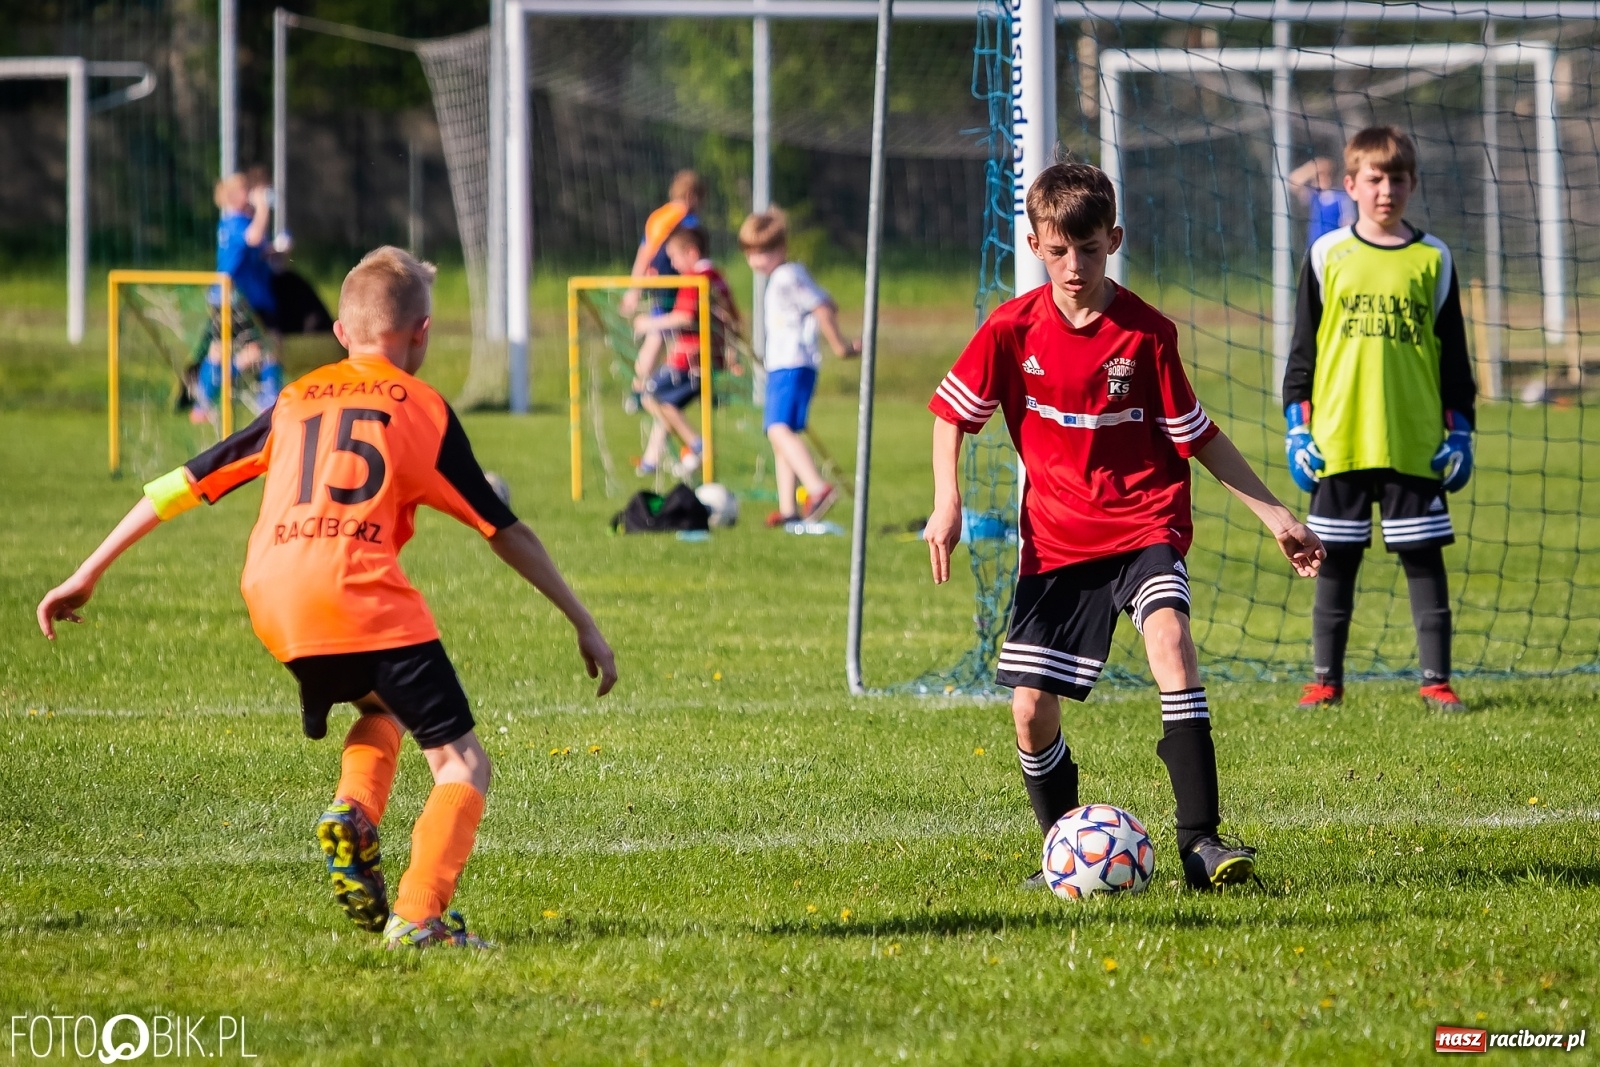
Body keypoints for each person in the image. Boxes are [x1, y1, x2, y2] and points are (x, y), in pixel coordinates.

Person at [37, 246, 618, 949]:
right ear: (423, 333)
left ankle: (354, 811)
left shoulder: (294, 399)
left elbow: (182, 483)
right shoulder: (424, 408)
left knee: (381, 705)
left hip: (275, 597)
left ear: (342, 334)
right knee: (462, 764)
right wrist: (583, 620)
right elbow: (504, 530)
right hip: (361, 595)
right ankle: (420, 916)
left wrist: (88, 571)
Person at [923, 161, 1324, 891]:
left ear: (1114, 238)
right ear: (1035, 245)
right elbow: (952, 414)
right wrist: (946, 500)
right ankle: (1064, 850)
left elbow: (1198, 435)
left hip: (1145, 524)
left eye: (1089, 249)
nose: (1074, 266)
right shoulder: (1011, 329)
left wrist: (1276, 515)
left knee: (1171, 640)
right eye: (1058, 251)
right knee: (1029, 711)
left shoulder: (1147, 334)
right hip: (1056, 541)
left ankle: (1201, 842)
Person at [1282, 126, 1476, 713]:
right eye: (1374, 179)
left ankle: (1436, 681)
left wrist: (1461, 430)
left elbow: (1454, 356)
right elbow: (1303, 351)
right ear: (1350, 185)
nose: (1386, 189)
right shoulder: (1327, 253)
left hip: (1414, 440)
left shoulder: (1433, 257)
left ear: (1413, 183)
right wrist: (1297, 427)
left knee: (1424, 559)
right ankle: (1326, 682)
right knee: (1334, 562)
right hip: (1339, 438)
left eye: (1397, 179)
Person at [738, 206, 859, 527]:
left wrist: (840, 345)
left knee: (777, 429)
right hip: (783, 366)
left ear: (781, 248)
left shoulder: (786, 276)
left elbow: (822, 307)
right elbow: (826, 300)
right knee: (783, 436)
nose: (755, 260)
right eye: (750, 253)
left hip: (792, 365)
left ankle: (818, 489)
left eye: (763, 252)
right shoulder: (785, 277)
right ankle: (788, 508)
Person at [631, 225, 738, 477]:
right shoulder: (716, 276)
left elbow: (684, 317)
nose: (673, 264)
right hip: (706, 357)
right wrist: (730, 352)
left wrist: (649, 323)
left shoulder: (696, 279)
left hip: (691, 359)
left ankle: (697, 445)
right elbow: (732, 317)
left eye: (675, 257)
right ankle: (651, 461)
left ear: (691, 253)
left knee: (651, 396)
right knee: (667, 405)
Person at [194, 172, 283, 417]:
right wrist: (263, 207)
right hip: (235, 298)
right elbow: (254, 238)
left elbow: (261, 249)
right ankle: (266, 398)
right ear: (234, 196)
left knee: (222, 347)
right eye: (246, 189)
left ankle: (203, 402)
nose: (251, 193)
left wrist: (278, 251)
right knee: (264, 347)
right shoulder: (234, 222)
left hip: (241, 297)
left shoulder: (242, 221)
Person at [620, 170, 704, 411]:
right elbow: (692, 252)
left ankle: (640, 389)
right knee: (668, 333)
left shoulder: (658, 216)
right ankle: (673, 385)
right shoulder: (686, 220)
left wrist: (634, 289)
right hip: (677, 284)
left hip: (658, 283)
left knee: (657, 335)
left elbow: (644, 252)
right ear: (692, 195)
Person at [1289, 156, 1357, 248]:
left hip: (1333, 247)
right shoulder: (1313, 195)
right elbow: (1293, 183)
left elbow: (1348, 223)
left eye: (1324, 175)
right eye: (1318, 176)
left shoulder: (1341, 197)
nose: (1321, 179)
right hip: (1313, 246)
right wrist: (1310, 168)